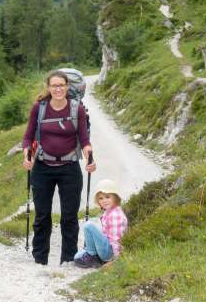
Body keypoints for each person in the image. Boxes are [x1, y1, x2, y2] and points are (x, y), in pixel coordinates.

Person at [23, 69, 96, 265]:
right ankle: (40, 260)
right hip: (42, 167)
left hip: (69, 167)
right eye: (54, 86)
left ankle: (68, 260)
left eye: (61, 85)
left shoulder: (76, 109)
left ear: (67, 87)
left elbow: (84, 138)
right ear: (49, 87)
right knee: (42, 216)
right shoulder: (39, 108)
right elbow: (28, 137)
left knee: (70, 217)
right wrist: (27, 153)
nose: (58, 89)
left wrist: (89, 156)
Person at [74, 179, 128, 268]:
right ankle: (92, 255)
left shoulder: (115, 215)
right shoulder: (109, 211)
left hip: (110, 253)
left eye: (107, 197)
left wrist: (115, 260)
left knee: (88, 226)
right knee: (77, 256)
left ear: (115, 197)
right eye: (101, 198)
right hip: (107, 248)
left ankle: (93, 256)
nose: (104, 200)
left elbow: (116, 240)